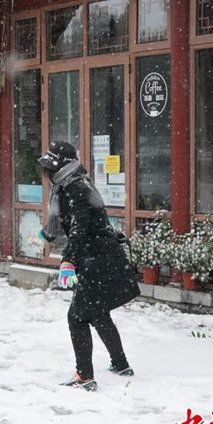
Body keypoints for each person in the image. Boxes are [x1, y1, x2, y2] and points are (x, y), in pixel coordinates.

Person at [37, 141, 139, 391]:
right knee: (98, 313)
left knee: (77, 317)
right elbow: (70, 224)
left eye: (50, 168)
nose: (47, 174)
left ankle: (84, 377)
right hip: (99, 257)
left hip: (98, 259)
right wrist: (46, 236)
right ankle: (120, 364)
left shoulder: (76, 189)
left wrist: (68, 261)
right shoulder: (72, 184)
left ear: (63, 167)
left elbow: (80, 229)